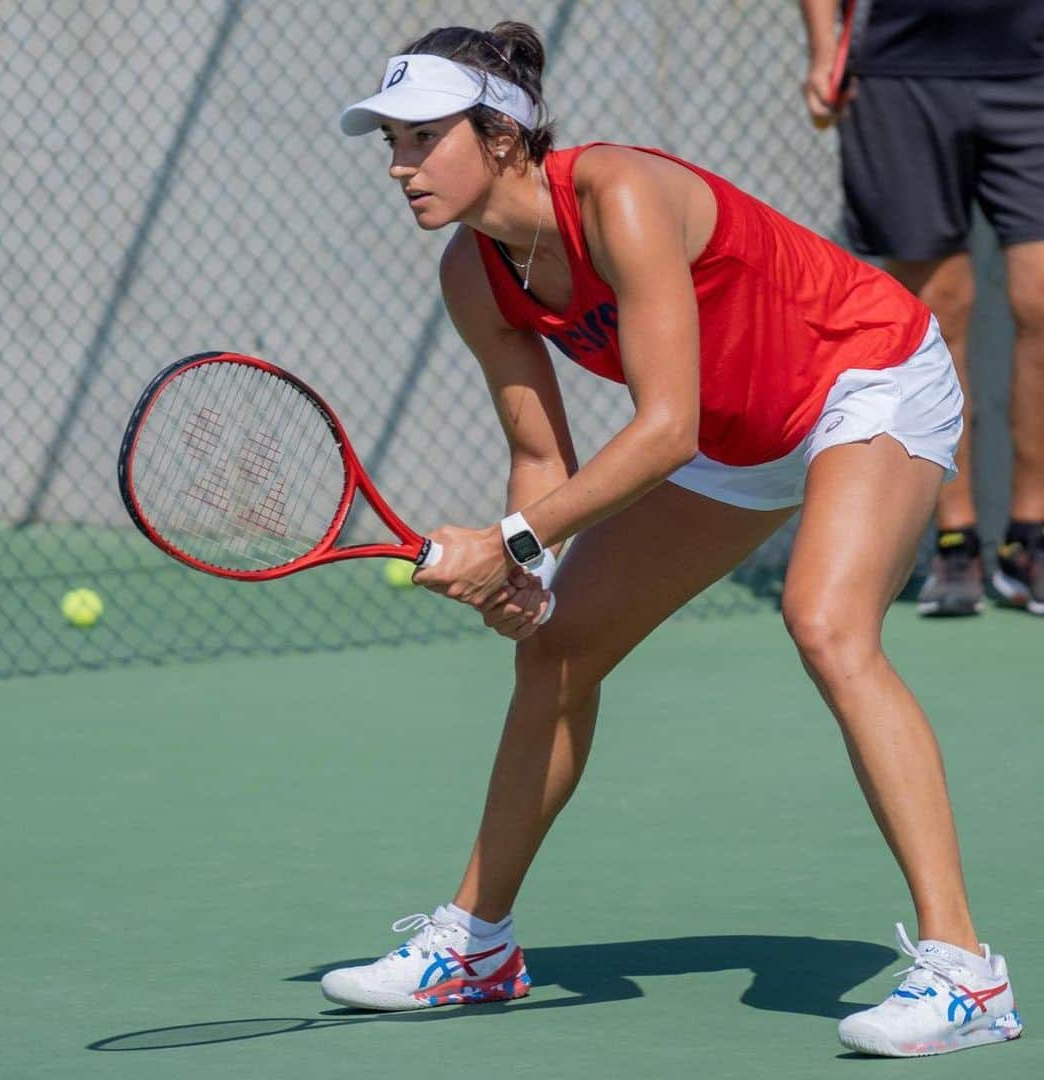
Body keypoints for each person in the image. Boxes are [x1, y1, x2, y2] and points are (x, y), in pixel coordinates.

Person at [324, 21, 1023, 1058]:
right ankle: (475, 947)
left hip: (862, 376)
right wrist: (532, 568)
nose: (399, 165)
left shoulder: (621, 198)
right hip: (737, 430)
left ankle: (967, 975)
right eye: (390, 141)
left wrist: (508, 542)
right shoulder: (477, 275)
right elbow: (539, 451)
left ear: (502, 135)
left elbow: (662, 431)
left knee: (828, 623)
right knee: (557, 648)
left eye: (424, 138)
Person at [801, 0, 1044, 617]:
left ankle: (1030, 540)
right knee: (937, 315)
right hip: (899, 75)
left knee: (1040, 303)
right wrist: (826, 51)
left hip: (1030, 72)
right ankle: (955, 540)